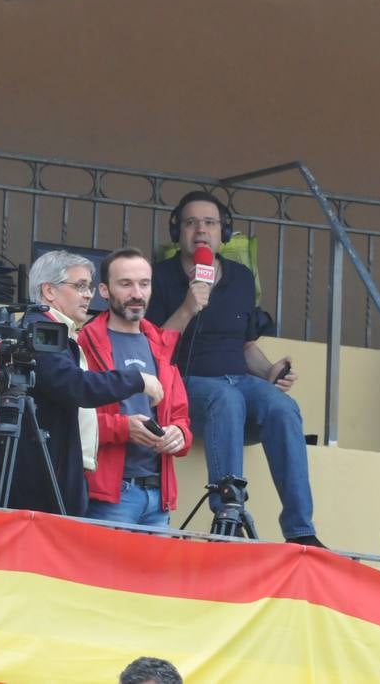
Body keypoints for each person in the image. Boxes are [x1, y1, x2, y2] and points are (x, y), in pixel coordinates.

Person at [145, 191, 323, 546]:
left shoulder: (241, 277)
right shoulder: (159, 277)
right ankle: (228, 516)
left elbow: (245, 345)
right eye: (191, 222)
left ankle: (301, 529)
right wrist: (188, 307)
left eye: (210, 223)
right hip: (187, 382)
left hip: (238, 379)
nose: (200, 230)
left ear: (223, 232)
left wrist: (271, 371)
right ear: (176, 230)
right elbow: (151, 347)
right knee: (226, 398)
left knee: (282, 407)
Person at [6, 251, 163, 516]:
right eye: (79, 286)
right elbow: (76, 386)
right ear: (49, 291)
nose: (89, 295)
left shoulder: (57, 331)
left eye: (89, 286)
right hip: (44, 476)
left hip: (55, 466)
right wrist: (136, 380)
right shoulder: (40, 331)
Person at [78, 248, 191, 528]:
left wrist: (179, 435)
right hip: (110, 497)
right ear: (103, 291)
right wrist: (123, 428)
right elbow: (73, 423)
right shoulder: (85, 341)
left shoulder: (161, 343)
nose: (137, 293)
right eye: (126, 284)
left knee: (155, 575)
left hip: (158, 496)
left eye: (144, 283)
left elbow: (181, 418)